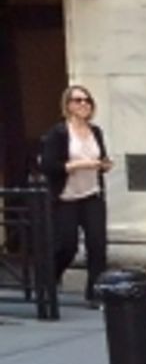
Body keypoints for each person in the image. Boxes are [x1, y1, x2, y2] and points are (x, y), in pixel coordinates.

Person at [39, 84, 112, 306]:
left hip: (92, 195)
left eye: (87, 100)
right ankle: (49, 279)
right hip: (66, 198)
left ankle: (95, 293)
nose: (83, 104)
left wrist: (104, 165)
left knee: (97, 244)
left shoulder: (95, 131)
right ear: (68, 105)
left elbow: (101, 157)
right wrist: (78, 165)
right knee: (67, 246)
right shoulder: (59, 133)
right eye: (78, 100)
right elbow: (49, 166)